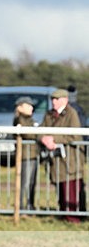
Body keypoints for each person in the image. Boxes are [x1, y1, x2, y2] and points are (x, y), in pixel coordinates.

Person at [39, 88, 84, 222]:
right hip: (56, 160)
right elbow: (40, 130)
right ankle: (63, 214)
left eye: (57, 99)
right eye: (52, 99)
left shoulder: (72, 113)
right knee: (60, 188)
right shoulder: (49, 115)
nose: (54, 102)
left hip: (71, 159)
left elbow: (75, 135)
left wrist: (54, 139)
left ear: (65, 100)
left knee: (72, 189)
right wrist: (43, 138)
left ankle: (74, 218)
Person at [13, 96, 39, 211]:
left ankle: (30, 204)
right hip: (25, 155)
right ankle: (22, 206)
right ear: (20, 107)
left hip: (33, 154)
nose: (31, 108)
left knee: (32, 182)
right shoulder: (20, 120)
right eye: (28, 106)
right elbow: (29, 134)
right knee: (25, 182)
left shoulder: (30, 120)